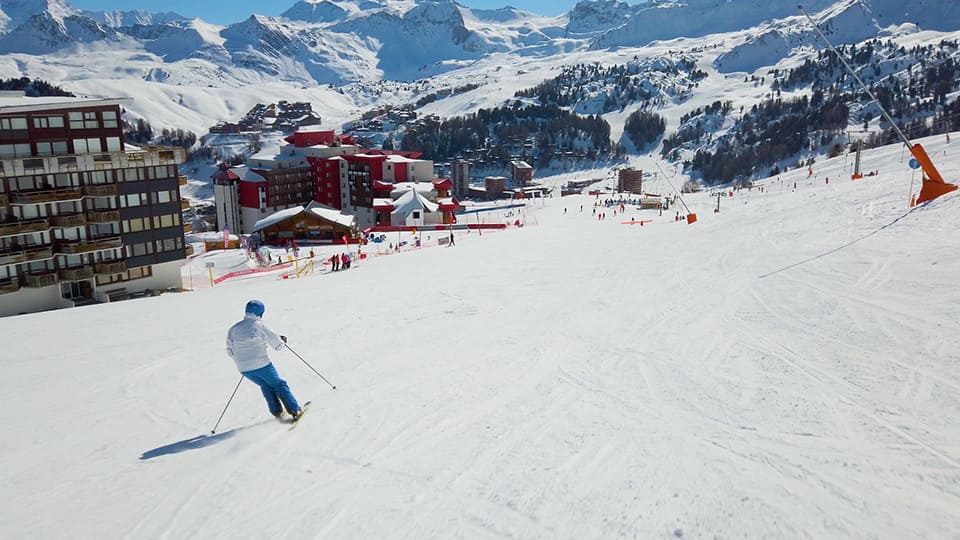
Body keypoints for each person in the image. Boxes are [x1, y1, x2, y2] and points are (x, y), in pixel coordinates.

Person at [226, 300, 303, 420]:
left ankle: (277, 412)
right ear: (260, 313)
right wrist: (282, 340)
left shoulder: (234, 328)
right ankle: (295, 410)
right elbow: (277, 345)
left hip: (243, 368)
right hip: (261, 364)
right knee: (279, 384)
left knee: (265, 385)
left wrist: (243, 360)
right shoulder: (258, 325)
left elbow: (230, 351)